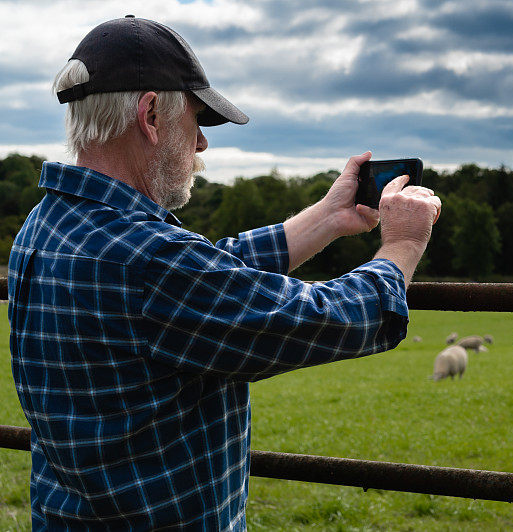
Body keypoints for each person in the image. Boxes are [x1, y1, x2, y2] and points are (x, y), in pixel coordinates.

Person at [7, 16, 440, 530]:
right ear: (150, 116)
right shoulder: (150, 260)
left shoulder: (47, 223)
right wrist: (403, 246)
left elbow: (209, 276)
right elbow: (322, 318)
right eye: (196, 121)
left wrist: (327, 218)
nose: (202, 146)